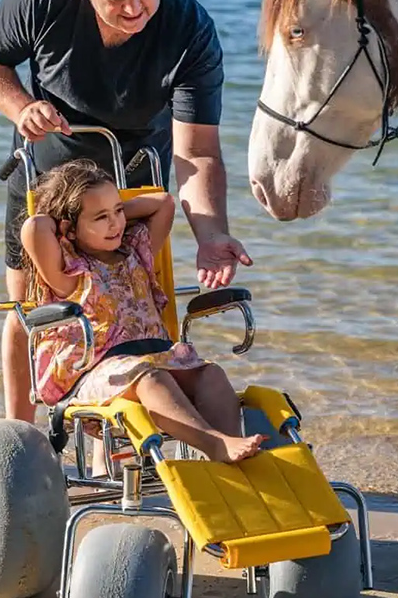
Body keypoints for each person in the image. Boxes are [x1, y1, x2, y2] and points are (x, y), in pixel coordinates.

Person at [0, 0, 253, 425]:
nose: (133, 8)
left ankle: (122, 434)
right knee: (31, 309)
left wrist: (211, 234)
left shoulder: (190, 28)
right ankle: (21, 441)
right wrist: (20, 106)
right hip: (48, 180)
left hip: (134, 178)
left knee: (135, 303)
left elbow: (199, 151)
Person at [21, 160, 263, 463]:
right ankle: (214, 443)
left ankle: (231, 452)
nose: (116, 224)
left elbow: (164, 203)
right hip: (98, 374)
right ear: (68, 229)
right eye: (101, 217)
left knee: (211, 374)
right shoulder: (71, 274)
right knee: (150, 378)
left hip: (156, 358)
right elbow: (36, 226)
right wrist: (74, 215)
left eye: (119, 212)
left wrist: (105, 206)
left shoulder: (136, 252)